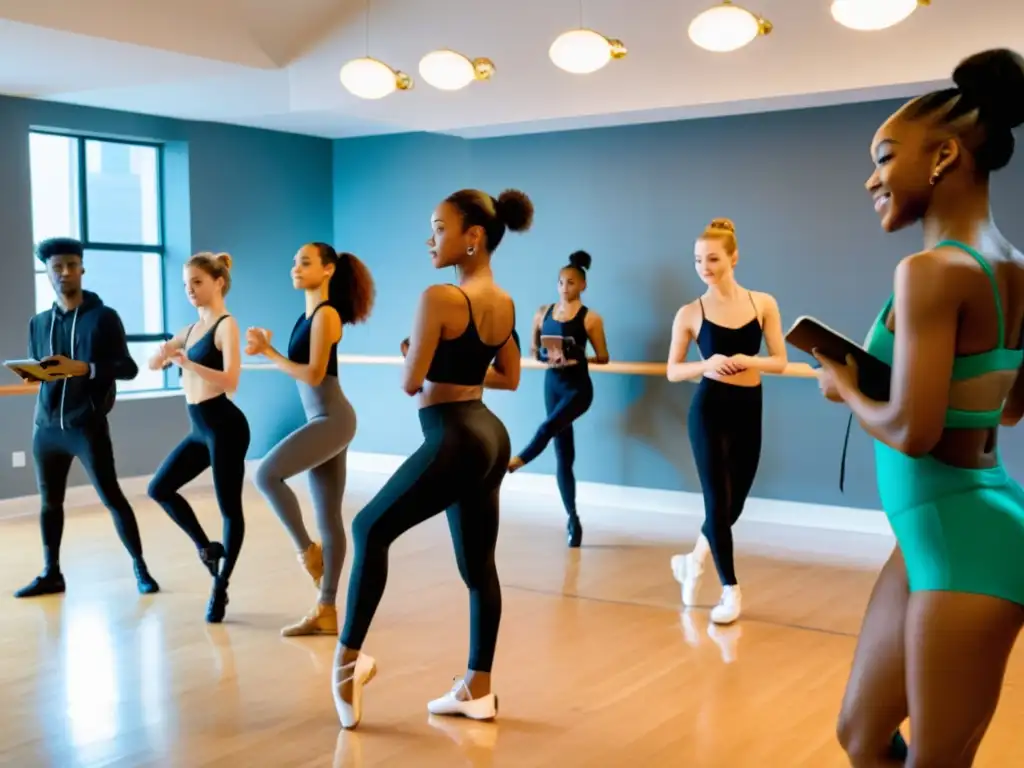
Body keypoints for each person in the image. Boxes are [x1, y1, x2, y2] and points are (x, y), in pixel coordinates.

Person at [814, 49, 1024, 765]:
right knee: (861, 735)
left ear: (942, 155)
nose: (872, 178)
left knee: (938, 760)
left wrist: (846, 385)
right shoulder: (1014, 268)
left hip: (966, 543)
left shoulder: (928, 272)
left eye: (884, 157)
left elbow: (912, 429)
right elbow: (1010, 408)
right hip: (937, 532)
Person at [331, 188, 532, 730]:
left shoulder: (440, 298)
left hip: (453, 437)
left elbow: (411, 383)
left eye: (439, 228)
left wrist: (414, 356)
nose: (431, 238)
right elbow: (509, 377)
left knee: (369, 528)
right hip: (490, 434)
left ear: (473, 237)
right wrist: (457, 369)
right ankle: (478, 689)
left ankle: (346, 665)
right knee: (478, 567)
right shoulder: (506, 303)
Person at [14, 237, 160, 598]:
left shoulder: (104, 317)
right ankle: (52, 573)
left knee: (112, 497)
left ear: (82, 269)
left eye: (71, 265)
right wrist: (34, 373)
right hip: (46, 429)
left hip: (87, 426)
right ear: (46, 272)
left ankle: (141, 569)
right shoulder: (39, 322)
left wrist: (86, 368)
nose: (64, 272)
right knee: (50, 503)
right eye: (57, 267)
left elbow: (127, 368)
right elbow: (42, 368)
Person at [247, 243, 375, 637]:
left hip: (333, 420)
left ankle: (308, 552)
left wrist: (267, 351)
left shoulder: (327, 315)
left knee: (266, 475)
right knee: (329, 517)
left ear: (329, 270)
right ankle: (326, 609)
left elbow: (314, 374)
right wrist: (270, 344)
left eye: (305, 262)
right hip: (322, 418)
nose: (295, 268)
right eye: (294, 261)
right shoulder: (304, 317)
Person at [665, 218, 787, 625]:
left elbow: (781, 361)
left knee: (733, 505)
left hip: (749, 405)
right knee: (717, 501)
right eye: (698, 260)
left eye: (713, 258)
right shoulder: (690, 312)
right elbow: (673, 370)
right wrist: (708, 362)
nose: (704, 266)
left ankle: (693, 561)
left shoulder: (763, 303)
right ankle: (730, 591)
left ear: (734, 257)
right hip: (709, 408)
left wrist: (750, 360)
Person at [146, 252, 249, 623]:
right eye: (186, 284)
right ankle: (207, 548)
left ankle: (220, 587)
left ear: (218, 282)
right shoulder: (189, 331)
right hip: (198, 430)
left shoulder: (226, 325)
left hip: (225, 427)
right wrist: (160, 355)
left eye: (197, 282)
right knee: (159, 488)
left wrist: (189, 364)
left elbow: (231, 381)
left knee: (229, 510)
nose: (190, 290)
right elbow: (152, 363)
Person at [507, 250, 609, 547]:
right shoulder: (542, 312)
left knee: (546, 428)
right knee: (564, 457)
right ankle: (573, 519)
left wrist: (577, 355)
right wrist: (549, 355)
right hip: (552, 384)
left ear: (583, 286)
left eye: (572, 283)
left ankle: (515, 461)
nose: (565, 287)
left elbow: (603, 357)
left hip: (578, 389)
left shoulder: (591, 319)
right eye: (561, 282)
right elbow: (534, 350)